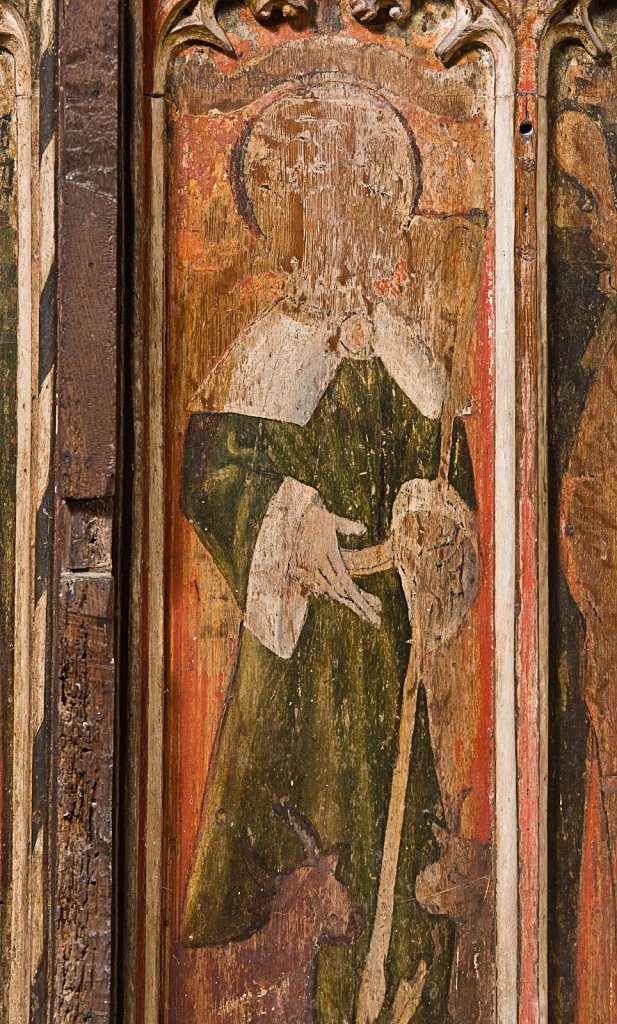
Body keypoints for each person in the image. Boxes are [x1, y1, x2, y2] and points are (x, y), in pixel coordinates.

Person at [180, 79, 477, 1022]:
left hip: (384, 654)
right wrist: (288, 524)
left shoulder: (411, 356)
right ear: (284, 225)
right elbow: (215, 483)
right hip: (295, 659)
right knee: (288, 882)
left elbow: (446, 484)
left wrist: (440, 523)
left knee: (399, 872)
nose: (346, 234)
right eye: (322, 210)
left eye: (366, 208)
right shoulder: (258, 353)